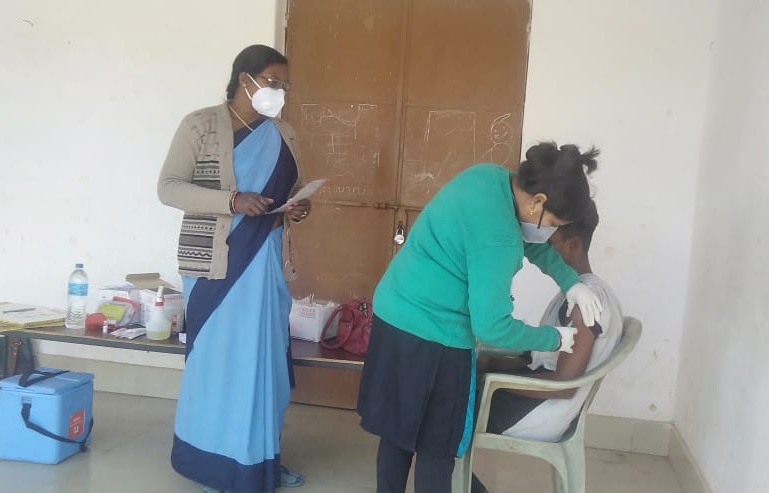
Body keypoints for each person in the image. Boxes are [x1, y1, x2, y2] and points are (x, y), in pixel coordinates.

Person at [357, 143, 605, 493]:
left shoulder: (490, 179)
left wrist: (570, 283)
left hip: (396, 311)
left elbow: (529, 242)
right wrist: (555, 338)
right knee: (436, 450)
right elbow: (492, 327)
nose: (550, 234)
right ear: (538, 202)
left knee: (398, 433)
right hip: (434, 336)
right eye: (552, 224)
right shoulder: (500, 239)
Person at [157, 44, 311, 493]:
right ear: (245, 80)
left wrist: (297, 208)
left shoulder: (285, 134)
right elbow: (169, 188)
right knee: (218, 364)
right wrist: (231, 201)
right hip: (215, 264)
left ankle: (258, 461)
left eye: (285, 85)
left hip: (263, 263)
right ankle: (211, 465)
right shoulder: (201, 125)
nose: (280, 91)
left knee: (261, 365)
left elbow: (291, 188)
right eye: (273, 82)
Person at [471, 199, 624, 493]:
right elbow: (542, 360)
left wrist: (489, 381)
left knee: (440, 412)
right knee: (445, 401)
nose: (543, 247)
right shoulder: (579, 291)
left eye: (551, 238)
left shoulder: (587, 302)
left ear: (573, 244)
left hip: (546, 409)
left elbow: (564, 385)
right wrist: (491, 364)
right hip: (541, 398)